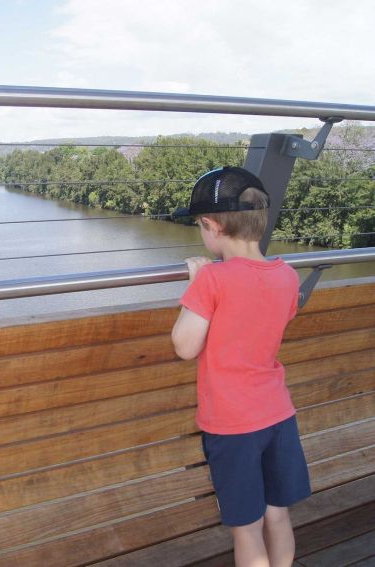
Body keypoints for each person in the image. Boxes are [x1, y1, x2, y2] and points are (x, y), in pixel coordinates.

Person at [170, 166, 311, 567]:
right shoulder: (287, 275)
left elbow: (184, 346)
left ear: (212, 226)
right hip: (278, 416)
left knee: (246, 527)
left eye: (199, 225)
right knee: (277, 514)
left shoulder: (212, 280)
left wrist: (197, 283)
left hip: (233, 426)